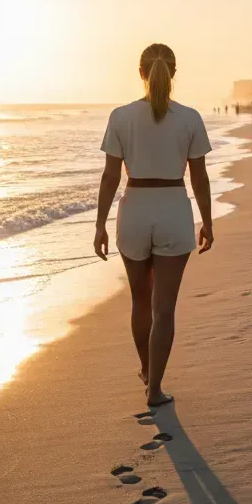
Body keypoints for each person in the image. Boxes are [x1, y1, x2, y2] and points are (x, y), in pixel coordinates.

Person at [94, 44, 213, 407]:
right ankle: (155, 389)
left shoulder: (121, 116)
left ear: (141, 73)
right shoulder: (190, 118)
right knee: (164, 308)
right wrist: (207, 221)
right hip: (174, 211)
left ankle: (146, 370)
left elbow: (110, 176)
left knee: (140, 302)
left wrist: (99, 224)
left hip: (134, 211)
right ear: (172, 73)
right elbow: (200, 177)